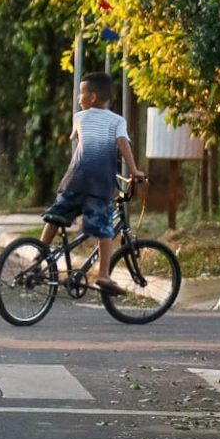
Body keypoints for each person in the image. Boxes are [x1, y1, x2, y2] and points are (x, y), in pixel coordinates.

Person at [38, 71, 145, 293]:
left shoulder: (79, 118)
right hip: (99, 186)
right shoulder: (117, 121)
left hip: (74, 181)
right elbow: (123, 144)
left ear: (93, 97)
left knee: (55, 216)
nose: (79, 98)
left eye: (81, 93)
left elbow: (79, 143)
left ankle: (39, 257)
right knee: (105, 230)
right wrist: (134, 170)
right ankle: (104, 275)